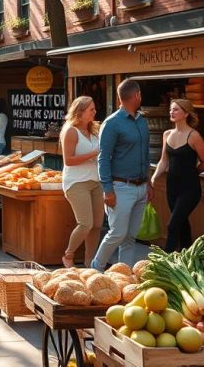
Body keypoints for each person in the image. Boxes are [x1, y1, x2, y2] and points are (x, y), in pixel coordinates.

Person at [92, 79, 152, 270]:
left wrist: (148, 183)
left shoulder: (142, 121)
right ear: (137, 96)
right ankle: (96, 268)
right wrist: (107, 189)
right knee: (117, 233)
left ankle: (123, 274)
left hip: (141, 186)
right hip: (120, 188)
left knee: (130, 237)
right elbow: (103, 158)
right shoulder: (112, 123)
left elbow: (145, 154)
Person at [151, 99, 204, 252]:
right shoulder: (167, 134)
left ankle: (166, 261)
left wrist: (192, 173)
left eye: (176, 109)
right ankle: (188, 260)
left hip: (189, 189)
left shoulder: (194, 136)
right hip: (172, 187)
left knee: (172, 225)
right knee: (182, 224)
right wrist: (154, 176)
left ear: (186, 114)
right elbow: (163, 161)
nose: (171, 112)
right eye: (171, 109)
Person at [60, 97, 103, 268]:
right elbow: (68, 160)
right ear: (80, 112)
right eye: (91, 109)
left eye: (94, 109)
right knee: (86, 223)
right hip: (77, 182)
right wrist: (94, 154)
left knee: (97, 225)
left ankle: (89, 263)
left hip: (95, 180)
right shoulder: (71, 131)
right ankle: (68, 255)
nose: (94, 112)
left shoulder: (94, 130)